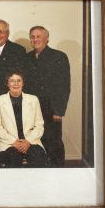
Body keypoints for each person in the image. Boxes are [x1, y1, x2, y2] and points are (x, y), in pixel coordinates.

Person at [24, 26, 70, 167]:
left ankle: (57, 175)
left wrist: (58, 111)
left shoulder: (59, 56)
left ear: (47, 38)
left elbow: (64, 86)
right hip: (32, 109)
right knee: (36, 144)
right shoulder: (27, 58)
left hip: (51, 109)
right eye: (32, 36)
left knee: (53, 144)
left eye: (38, 36)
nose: (35, 39)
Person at [0, 71, 48, 168]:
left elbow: (39, 125)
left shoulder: (33, 100)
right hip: (8, 143)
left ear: (23, 83)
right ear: (7, 83)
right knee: (12, 160)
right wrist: (14, 142)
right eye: (12, 81)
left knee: (39, 159)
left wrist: (27, 141)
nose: (16, 84)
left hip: (31, 141)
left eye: (19, 81)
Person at [0, 19, 27, 98]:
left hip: (8, 100)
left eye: (1, 32)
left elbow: (21, 78)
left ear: (7, 33)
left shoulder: (18, 50)